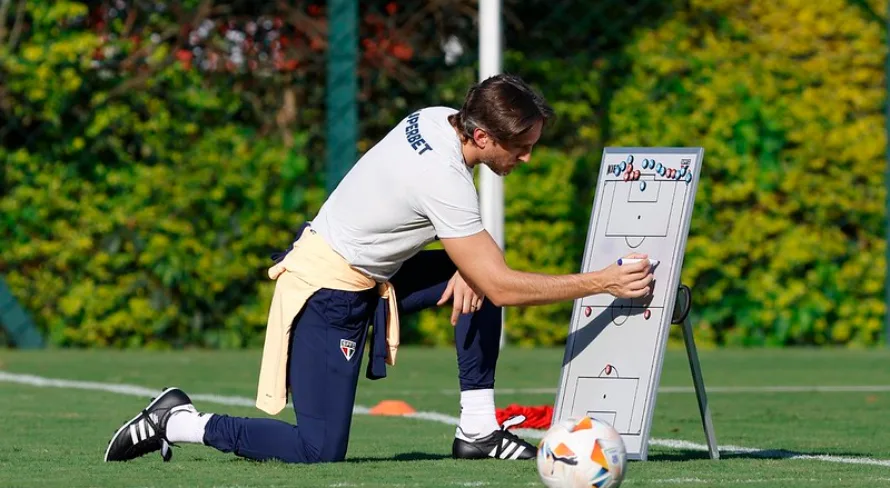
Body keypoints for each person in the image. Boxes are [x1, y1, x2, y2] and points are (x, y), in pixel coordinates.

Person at [103, 73, 655, 464]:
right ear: (482, 136)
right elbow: (502, 288)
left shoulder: (440, 118)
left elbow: (483, 271)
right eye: (522, 147)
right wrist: (602, 281)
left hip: (376, 273)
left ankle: (478, 432)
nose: (527, 157)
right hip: (329, 290)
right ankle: (179, 422)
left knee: (480, 276)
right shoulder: (443, 176)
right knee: (317, 450)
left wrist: (475, 270)